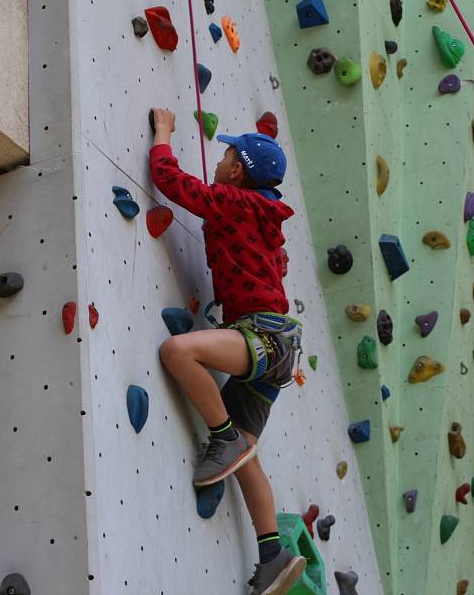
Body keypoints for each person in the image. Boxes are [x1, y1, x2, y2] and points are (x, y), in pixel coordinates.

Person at [149, 108, 307, 595]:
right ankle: (271, 553)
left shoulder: (232, 203)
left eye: (224, 156)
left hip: (261, 335)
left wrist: (163, 132)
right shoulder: (263, 217)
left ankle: (221, 435)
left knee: (179, 351)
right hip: (278, 346)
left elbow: (172, 181)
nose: (218, 162)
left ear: (237, 171)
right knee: (247, 456)